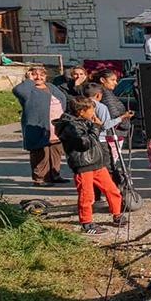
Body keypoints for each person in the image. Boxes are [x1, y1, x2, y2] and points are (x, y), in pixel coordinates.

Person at [53, 96, 125, 235]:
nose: (93, 113)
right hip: (83, 164)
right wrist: (96, 127)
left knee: (112, 190)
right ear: (81, 111)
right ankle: (86, 223)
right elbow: (84, 143)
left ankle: (117, 214)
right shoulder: (71, 126)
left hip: (96, 162)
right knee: (87, 195)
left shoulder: (83, 121)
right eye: (91, 110)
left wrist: (94, 126)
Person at [12, 66, 69, 187]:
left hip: (55, 126)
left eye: (41, 74)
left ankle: (54, 175)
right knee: (40, 153)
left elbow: (63, 98)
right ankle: (40, 178)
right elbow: (17, 91)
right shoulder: (28, 89)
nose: (39, 77)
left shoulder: (51, 86)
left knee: (55, 151)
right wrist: (29, 80)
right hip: (38, 125)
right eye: (35, 74)